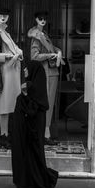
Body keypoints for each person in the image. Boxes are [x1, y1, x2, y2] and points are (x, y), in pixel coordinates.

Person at [11, 61, 59, 188]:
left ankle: (34, 180)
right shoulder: (28, 90)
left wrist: (26, 95)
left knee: (34, 151)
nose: (25, 71)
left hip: (32, 132)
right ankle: (28, 180)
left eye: (27, 69)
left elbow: (33, 108)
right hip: (26, 133)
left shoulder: (34, 91)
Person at [0, 8, 23, 148]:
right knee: (3, 105)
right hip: (4, 73)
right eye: (0, 14)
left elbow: (15, 49)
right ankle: (3, 135)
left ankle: (5, 134)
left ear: (8, 17)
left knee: (8, 106)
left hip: (10, 73)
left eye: (5, 15)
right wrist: (6, 56)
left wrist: (18, 53)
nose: (3, 17)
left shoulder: (5, 33)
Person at [27, 11, 65, 145]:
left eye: (44, 19)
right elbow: (34, 56)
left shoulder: (44, 34)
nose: (43, 20)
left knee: (49, 102)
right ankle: (44, 134)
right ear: (36, 20)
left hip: (51, 72)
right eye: (40, 18)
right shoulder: (36, 36)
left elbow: (52, 48)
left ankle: (45, 133)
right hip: (45, 73)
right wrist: (50, 55)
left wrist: (58, 51)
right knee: (45, 103)